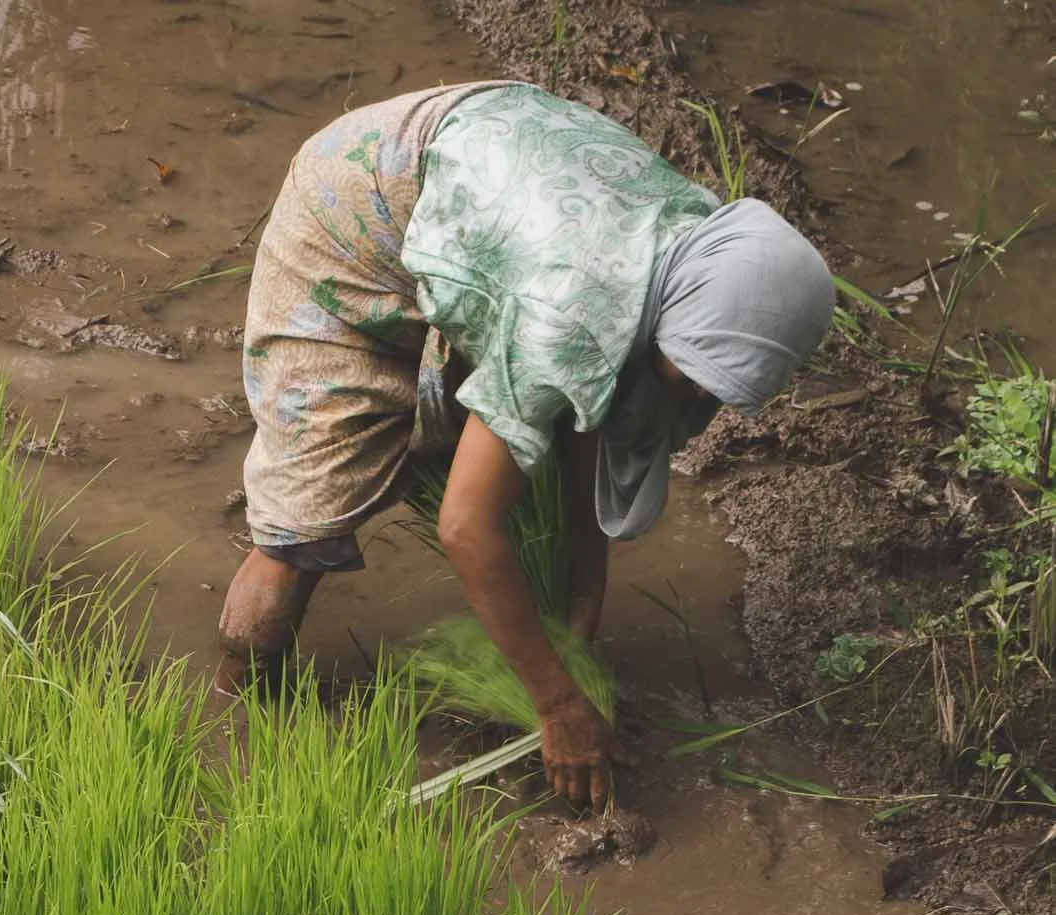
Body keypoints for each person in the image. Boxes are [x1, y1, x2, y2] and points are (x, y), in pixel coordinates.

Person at [215, 83, 835, 807]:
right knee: (313, 500)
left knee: (524, 431)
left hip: (476, 172)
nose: (701, 400)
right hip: (354, 203)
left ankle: (451, 476)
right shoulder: (572, 313)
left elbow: (583, 433)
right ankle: (237, 705)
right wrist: (557, 704)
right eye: (700, 376)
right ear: (694, 311)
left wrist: (577, 632)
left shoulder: (700, 251)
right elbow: (464, 528)